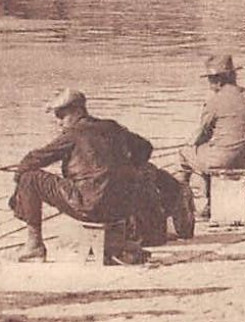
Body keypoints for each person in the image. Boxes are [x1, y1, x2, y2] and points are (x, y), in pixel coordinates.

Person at [9, 89, 153, 265]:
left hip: (91, 207)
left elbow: (31, 160)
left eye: (62, 116)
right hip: (124, 207)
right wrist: (126, 171)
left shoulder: (72, 135)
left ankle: (34, 247)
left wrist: (18, 186)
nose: (59, 122)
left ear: (77, 111)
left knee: (29, 178)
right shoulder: (112, 127)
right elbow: (145, 147)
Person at [177, 54, 245, 216]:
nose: (210, 85)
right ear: (233, 76)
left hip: (223, 162)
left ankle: (187, 204)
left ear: (217, 81)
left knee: (185, 153)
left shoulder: (215, 102)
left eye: (210, 80)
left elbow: (200, 136)